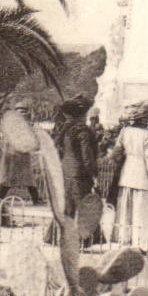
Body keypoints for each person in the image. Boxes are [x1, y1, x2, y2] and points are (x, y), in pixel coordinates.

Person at [110, 112, 148, 252]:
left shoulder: (125, 131)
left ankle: (124, 240)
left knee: (126, 208)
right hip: (142, 174)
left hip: (127, 171)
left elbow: (116, 152)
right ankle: (142, 243)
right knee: (142, 210)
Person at [52, 97, 99, 245]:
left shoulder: (64, 130)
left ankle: (59, 237)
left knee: (67, 204)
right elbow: (87, 156)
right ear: (82, 115)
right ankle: (81, 239)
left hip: (65, 170)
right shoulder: (83, 131)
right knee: (82, 204)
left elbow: (57, 150)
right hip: (80, 172)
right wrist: (94, 174)